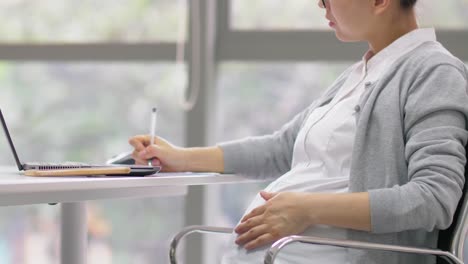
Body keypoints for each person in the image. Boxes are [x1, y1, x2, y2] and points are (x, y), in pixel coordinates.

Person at [129, 0, 468, 263]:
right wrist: (180, 157)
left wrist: (308, 210)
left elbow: (433, 198)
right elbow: (280, 148)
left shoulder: (434, 72)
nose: (321, 5)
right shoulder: (362, 73)